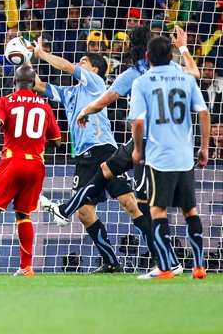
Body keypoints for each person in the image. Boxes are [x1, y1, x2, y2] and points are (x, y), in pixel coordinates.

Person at [42, 25, 200, 277]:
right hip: (173, 143)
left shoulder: (132, 73)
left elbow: (107, 98)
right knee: (137, 198)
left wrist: (86, 111)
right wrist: (183, 47)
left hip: (140, 141)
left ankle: (168, 262)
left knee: (136, 201)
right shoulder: (172, 69)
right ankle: (166, 262)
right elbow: (195, 73)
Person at [33, 38, 155, 273]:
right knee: (85, 213)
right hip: (82, 157)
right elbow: (38, 85)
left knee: (129, 203)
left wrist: (43, 54)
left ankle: (160, 253)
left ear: (95, 69)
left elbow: (68, 67)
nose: (79, 63)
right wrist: (24, 55)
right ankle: (111, 262)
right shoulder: (69, 93)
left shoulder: (95, 83)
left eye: (84, 61)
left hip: (103, 149)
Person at [0, 65, 61, 277]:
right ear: (34, 84)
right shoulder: (44, 106)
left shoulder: (5, 101)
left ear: (14, 82)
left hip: (12, 161)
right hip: (36, 165)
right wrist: (34, 142)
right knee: (23, 215)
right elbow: (57, 141)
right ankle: (26, 267)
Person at [128, 35, 210, 280]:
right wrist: (204, 147)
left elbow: (139, 121)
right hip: (185, 155)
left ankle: (165, 268)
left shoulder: (142, 83)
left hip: (159, 156)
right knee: (190, 210)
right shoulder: (186, 80)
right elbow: (204, 113)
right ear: (171, 56)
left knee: (157, 211)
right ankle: (198, 266)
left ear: (146, 57)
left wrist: (138, 150)